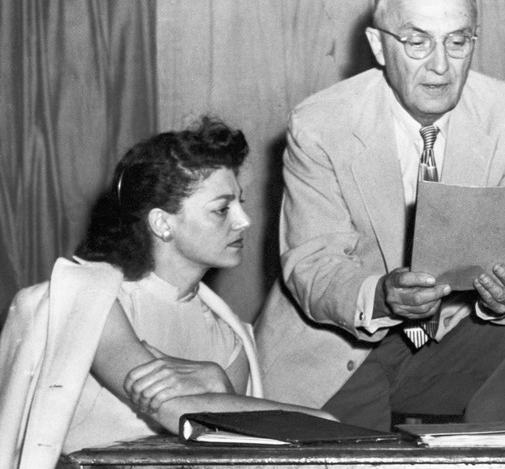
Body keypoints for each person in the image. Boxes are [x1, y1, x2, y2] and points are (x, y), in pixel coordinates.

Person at [255, 0, 505, 431]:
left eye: (457, 41)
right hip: (340, 349)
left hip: (454, 337)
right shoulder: (321, 123)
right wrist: (381, 297)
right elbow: (312, 266)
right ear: (379, 46)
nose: (440, 65)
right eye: (417, 42)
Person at [0, 117, 333, 469]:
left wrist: (219, 381)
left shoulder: (229, 335)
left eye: (240, 203)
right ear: (162, 223)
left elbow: (231, 441)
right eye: (222, 209)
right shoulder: (91, 298)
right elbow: (173, 408)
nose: (243, 221)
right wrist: (322, 421)